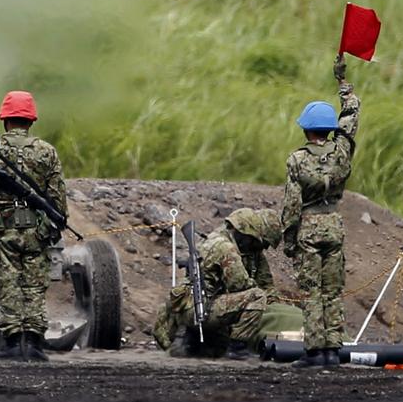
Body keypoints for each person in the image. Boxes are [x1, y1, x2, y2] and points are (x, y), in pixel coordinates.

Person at [0, 90, 67, 362]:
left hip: (4, 228)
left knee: (9, 283)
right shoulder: (47, 152)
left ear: (4, 119)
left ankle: (13, 342)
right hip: (37, 229)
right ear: (31, 120)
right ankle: (34, 343)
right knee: (34, 285)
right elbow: (58, 196)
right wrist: (51, 228)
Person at [281, 54, 361, 368]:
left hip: (310, 227)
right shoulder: (342, 151)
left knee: (312, 291)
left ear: (306, 130)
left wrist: (288, 239)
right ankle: (332, 350)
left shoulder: (298, 160)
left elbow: (291, 204)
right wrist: (343, 83)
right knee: (333, 290)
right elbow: (352, 114)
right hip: (334, 226)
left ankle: (314, 351)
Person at [154, 207, 282, 360]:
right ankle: (238, 348)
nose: (259, 247)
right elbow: (239, 284)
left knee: (213, 351)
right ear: (246, 233)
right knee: (256, 297)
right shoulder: (225, 247)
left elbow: (266, 282)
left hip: (199, 306)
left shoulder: (225, 243)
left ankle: (192, 342)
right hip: (201, 309)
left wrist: (275, 302)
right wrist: (262, 296)